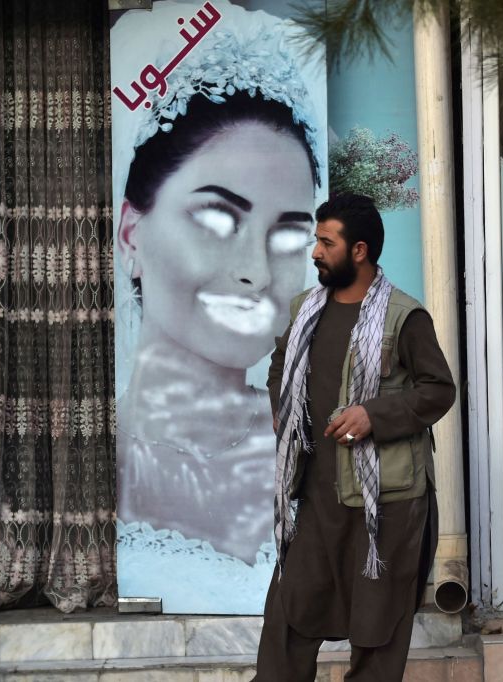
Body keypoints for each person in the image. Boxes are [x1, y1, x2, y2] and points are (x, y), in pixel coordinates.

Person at [111, 1, 325, 613]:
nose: (255, 271)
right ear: (132, 233)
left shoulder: (313, 447)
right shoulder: (88, 456)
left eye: (288, 234)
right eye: (216, 217)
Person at [255, 193, 456, 681]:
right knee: (287, 621)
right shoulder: (305, 311)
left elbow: (439, 390)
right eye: (316, 240)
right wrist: (284, 415)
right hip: (316, 499)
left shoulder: (404, 318)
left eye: (326, 242)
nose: (315, 252)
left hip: (385, 505)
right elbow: (279, 372)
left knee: (378, 632)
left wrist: (374, 414)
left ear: (359, 250)